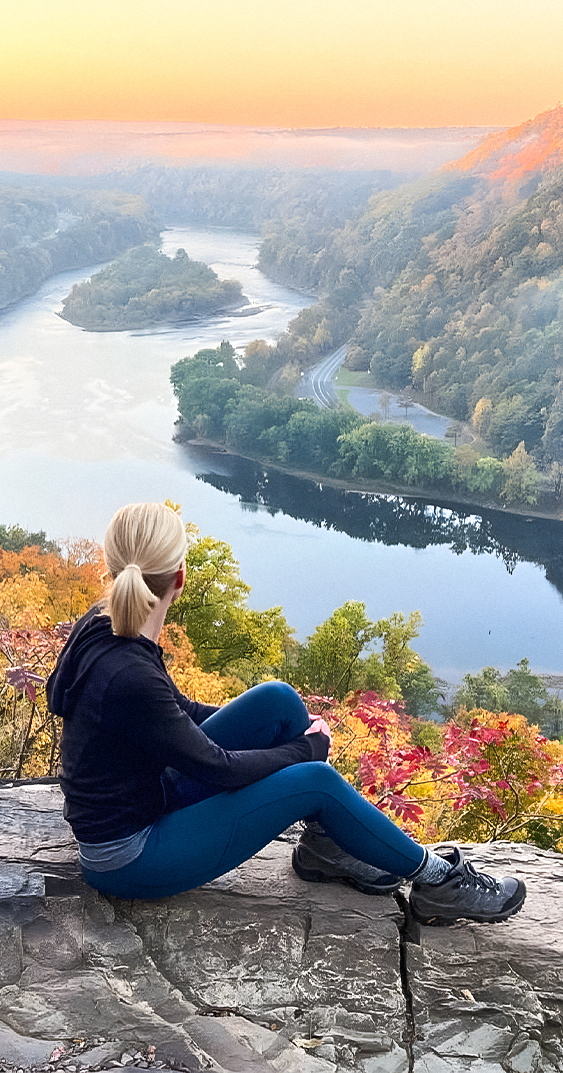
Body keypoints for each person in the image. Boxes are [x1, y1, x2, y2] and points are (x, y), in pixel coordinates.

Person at [47, 502, 526, 925]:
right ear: (180, 577)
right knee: (313, 780)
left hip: (149, 794)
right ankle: (438, 880)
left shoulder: (104, 621)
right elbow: (215, 766)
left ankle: (326, 845)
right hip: (129, 856)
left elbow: (175, 712)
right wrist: (304, 749)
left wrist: (280, 736)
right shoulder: (129, 673)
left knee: (278, 700)